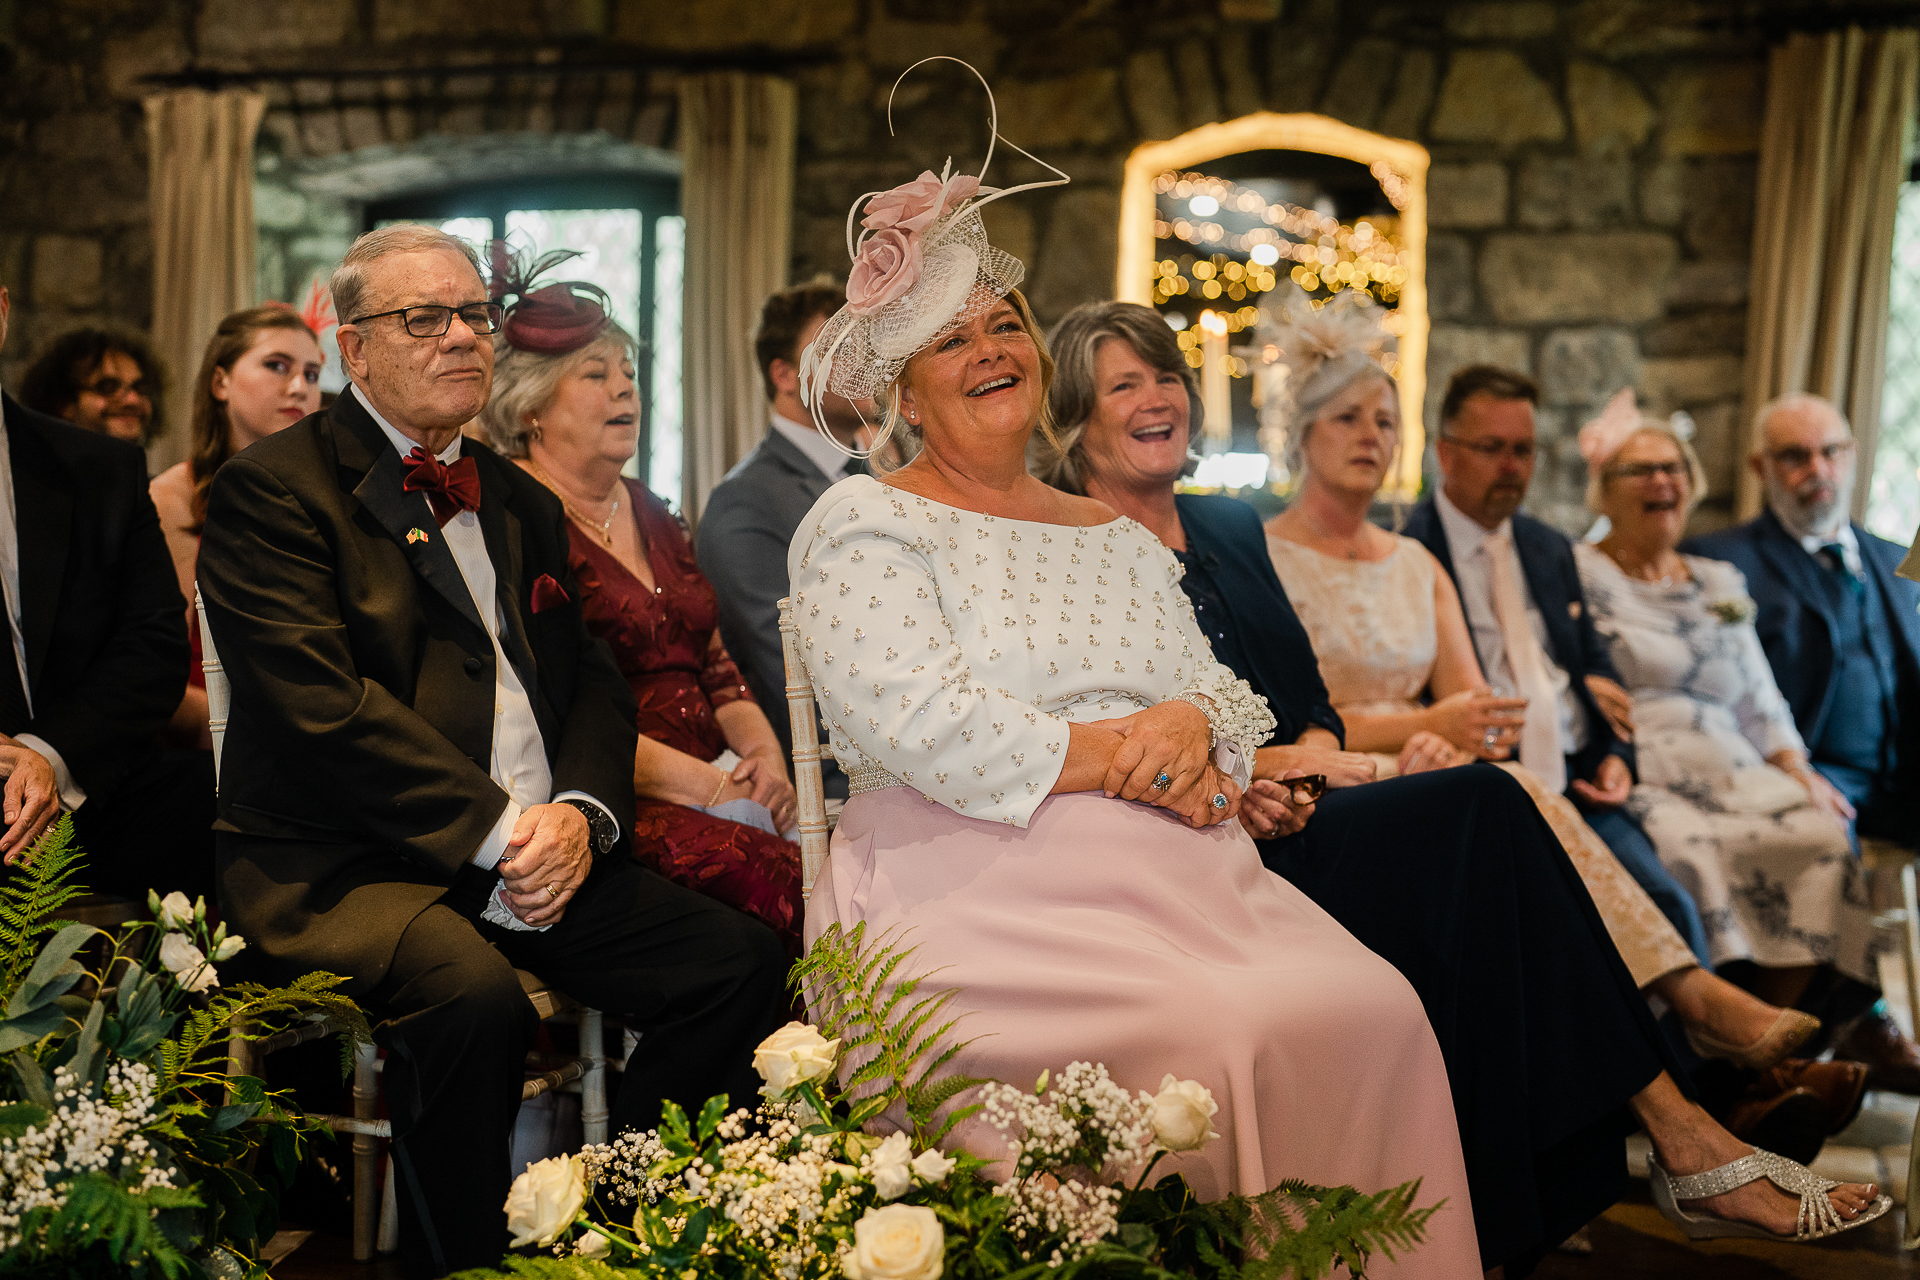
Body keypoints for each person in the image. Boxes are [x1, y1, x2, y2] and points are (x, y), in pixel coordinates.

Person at [1039, 299, 1879, 1266]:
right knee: (1490, 810)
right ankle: (1684, 1133)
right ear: (1078, 418)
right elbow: (1121, 723)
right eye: (1123, 384)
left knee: (1495, 817)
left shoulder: (1229, 525)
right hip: (1209, 834)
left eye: (1166, 376)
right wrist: (1256, 769)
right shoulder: (1073, 545)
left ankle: (1645, 1153)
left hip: (1312, 801)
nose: (1157, 398)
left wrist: (1315, 755)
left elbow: (1308, 698)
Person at [791, 153, 1483, 1277]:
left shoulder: (1109, 533)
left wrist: (1193, 726)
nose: (992, 351)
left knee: (1380, 1005)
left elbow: (1215, 688)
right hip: (970, 876)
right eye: (952, 339)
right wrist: (1128, 744)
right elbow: (923, 720)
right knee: (1221, 1034)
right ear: (901, 390)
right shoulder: (865, 521)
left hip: (1184, 871)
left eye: (1005, 325)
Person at [196, 226, 787, 1279]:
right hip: (352, 859)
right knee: (477, 1000)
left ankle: (621, 1230)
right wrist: (505, 830)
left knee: (735, 962)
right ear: (355, 345)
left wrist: (583, 815)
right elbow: (322, 709)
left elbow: (595, 684)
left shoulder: (514, 496)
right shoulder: (272, 489)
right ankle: (453, 1264)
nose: (463, 335)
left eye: (473, 313)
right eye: (426, 317)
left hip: (539, 843)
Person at [478, 246, 804, 954]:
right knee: (796, 887)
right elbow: (550, 711)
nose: (625, 389)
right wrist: (711, 788)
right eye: (595, 375)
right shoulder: (516, 517)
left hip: (724, 774)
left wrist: (766, 759)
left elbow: (714, 661)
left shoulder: (651, 506)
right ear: (531, 405)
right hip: (617, 794)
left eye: (628, 372)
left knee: (857, 866)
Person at [1575, 394, 1883, 1074]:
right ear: (1604, 487)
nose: (1663, 481)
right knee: (1689, 852)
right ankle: (1737, 1058)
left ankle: (1761, 1062)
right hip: (1650, 769)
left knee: (1822, 838)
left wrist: (1801, 773)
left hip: (1739, 764)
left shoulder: (1720, 579)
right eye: (1641, 470)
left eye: (1674, 467)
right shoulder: (1579, 573)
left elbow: (1760, 698)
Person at [1403, 365, 1710, 964]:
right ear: (1445, 453)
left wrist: (1618, 759)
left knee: (1668, 906)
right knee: (1567, 937)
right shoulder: (1409, 550)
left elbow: (1596, 666)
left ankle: (1723, 1061)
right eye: (1492, 448)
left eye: (1524, 449)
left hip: (1580, 778)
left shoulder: (1547, 546)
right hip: (1492, 784)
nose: (1512, 467)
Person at [1683, 393, 1920, 1092]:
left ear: (1851, 456)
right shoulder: (1722, 560)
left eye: (1829, 451)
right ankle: (1814, 1039)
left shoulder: (1893, 559)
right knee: (1824, 837)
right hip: (1802, 772)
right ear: (1761, 467)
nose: (1816, 469)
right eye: (1794, 456)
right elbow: (1718, 692)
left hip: (1902, 775)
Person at [0, 283, 211, 901]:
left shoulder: (103, 469)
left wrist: (49, 754)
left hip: (86, 772)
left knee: (252, 806)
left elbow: (153, 645)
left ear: (5, 311)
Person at [696, 282, 873, 777]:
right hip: (831, 776)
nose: (867, 362)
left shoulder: (873, 481)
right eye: (842, 348)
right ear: (785, 374)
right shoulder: (745, 502)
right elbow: (789, 668)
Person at [149, 305, 325, 751]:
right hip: (206, 754)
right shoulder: (175, 498)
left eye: (312, 373)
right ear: (220, 381)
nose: (299, 387)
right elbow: (149, 673)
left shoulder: (330, 500)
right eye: (276, 366)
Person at [19, 327, 165, 447]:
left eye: (140, 388)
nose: (133, 400)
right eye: (108, 388)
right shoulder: (28, 480)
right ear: (63, 404)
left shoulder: (152, 483)